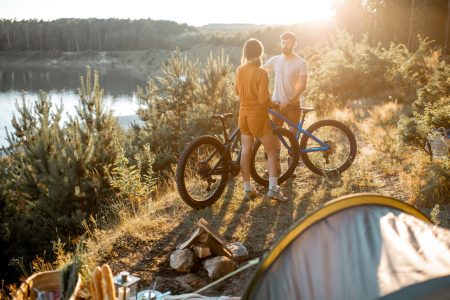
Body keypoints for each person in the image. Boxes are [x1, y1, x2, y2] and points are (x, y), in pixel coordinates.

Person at [235, 38, 288, 202]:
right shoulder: (261, 73)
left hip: (242, 115)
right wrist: (275, 105)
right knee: (271, 151)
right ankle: (273, 188)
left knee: (245, 152)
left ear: (245, 52)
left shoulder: (239, 70)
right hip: (257, 116)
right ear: (259, 52)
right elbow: (263, 100)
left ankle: (248, 189)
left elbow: (237, 91)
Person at [263, 32, 308, 175]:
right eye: (282, 42)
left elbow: (302, 86)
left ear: (294, 44)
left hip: (292, 104)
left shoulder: (300, 62)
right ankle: (275, 167)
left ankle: (291, 166)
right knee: (275, 134)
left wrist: (289, 100)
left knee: (292, 134)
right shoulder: (275, 60)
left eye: (288, 42)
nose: (284, 45)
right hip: (276, 103)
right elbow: (261, 71)